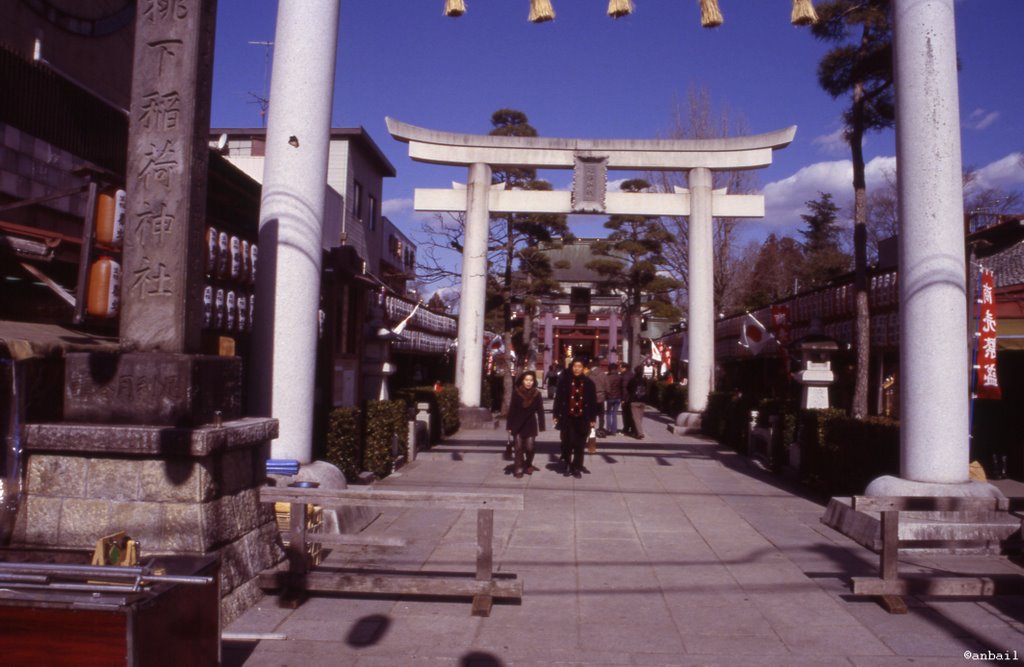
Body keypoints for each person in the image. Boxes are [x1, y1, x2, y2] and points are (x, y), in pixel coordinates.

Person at [552, 357, 598, 478]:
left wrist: (593, 419)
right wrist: (556, 414)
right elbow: (558, 399)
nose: (577, 369)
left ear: (584, 369)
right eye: (574, 366)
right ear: (571, 367)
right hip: (568, 417)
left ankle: (577, 467)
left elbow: (593, 402)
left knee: (580, 444)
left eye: (579, 367)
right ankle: (567, 463)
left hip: (583, 418)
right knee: (567, 442)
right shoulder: (564, 381)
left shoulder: (589, 383)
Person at [506, 371, 546, 479]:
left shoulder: (537, 394)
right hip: (517, 425)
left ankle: (528, 463)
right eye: (526, 380)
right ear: (522, 381)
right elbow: (512, 410)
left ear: (534, 381)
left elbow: (540, 410)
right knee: (518, 447)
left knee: (530, 447)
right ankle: (518, 468)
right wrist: (509, 426)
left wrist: (542, 425)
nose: (529, 382)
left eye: (531, 380)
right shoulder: (517, 393)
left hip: (530, 424)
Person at [589, 357, 609, 437]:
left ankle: (591, 428)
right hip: (601, 396)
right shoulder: (603, 374)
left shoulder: (588, 374)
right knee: (601, 415)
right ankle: (600, 429)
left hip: (591, 397)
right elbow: (607, 387)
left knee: (591, 415)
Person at [627, 364, 648, 439]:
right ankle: (637, 432)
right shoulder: (645, 380)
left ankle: (640, 433)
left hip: (634, 400)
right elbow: (647, 389)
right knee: (640, 417)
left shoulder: (632, 380)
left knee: (636, 418)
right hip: (643, 400)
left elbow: (628, 388)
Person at [605, 361, 622, 436]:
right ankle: (614, 430)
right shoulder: (620, 377)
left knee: (608, 413)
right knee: (614, 414)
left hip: (610, 397)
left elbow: (606, 388)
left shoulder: (608, 377)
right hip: (618, 397)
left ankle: (608, 429)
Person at [619, 362, 636, 437]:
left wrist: (623, 399)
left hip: (627, 398)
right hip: (631, 397)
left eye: (620, 367)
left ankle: (626, 428)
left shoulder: (625, 376)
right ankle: (632, 429)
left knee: (626, 414)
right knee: (630, 414)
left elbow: (624, 388)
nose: (619, 369)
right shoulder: (631, 374)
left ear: (624, 368)